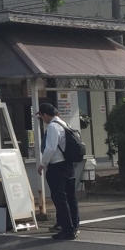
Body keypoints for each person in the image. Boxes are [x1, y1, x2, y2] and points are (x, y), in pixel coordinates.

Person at [38, 102, 80, 240]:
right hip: (69, 166)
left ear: (45, 114)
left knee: (60, 199)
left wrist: (42, 165)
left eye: (41, 116)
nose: (42, 119)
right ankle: (74, 227)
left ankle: (67, 230)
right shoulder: (65, 124)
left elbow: (50, 148)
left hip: (57, 167)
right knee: (71, 198)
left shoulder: (53, 126)